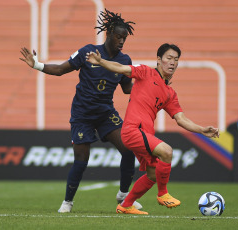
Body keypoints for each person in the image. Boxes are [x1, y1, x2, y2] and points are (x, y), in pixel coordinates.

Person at [19, 9, 143, 213]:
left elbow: (127, 89)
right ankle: (68, 202)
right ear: (109, 33)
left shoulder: (124, 60)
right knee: (81, 160)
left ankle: (123, 196)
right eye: (119, 36)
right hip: (82, 114)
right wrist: (37, 65)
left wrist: (147, 82)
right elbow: (60, 70)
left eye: (124, 38)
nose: (121, 41)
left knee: (128, 149)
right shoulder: (88, 51)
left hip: (105, 113)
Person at [85, 43, 220, 215]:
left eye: (176, 60)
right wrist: (101, 62)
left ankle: (125, 205)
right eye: (169, 58)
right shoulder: (145, 72)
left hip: (145, 134)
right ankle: (163, 194)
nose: (172, 62)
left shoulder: (170, 93)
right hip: (132, 130)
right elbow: (121, 68)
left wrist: (201, 130)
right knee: (167, 151)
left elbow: (181, 119)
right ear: (158, 60)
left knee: (152, 175)